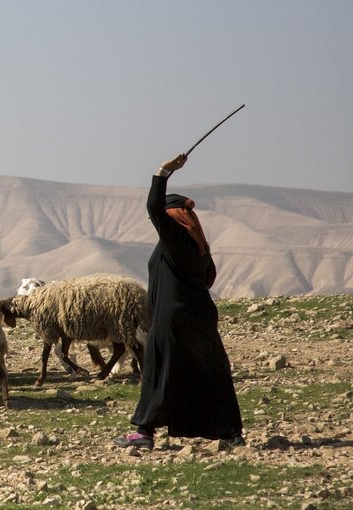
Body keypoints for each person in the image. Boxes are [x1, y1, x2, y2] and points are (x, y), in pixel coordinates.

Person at [115, 153, 244, 449]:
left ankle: (144, 432)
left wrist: (163, 172)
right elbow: (209, 278)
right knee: (210, 370)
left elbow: (154, 207)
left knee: (159, 371)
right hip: (200, 316)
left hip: (170, 319)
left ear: (173, 217)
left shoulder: (174, 237)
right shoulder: (199, 244)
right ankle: (230, 432)